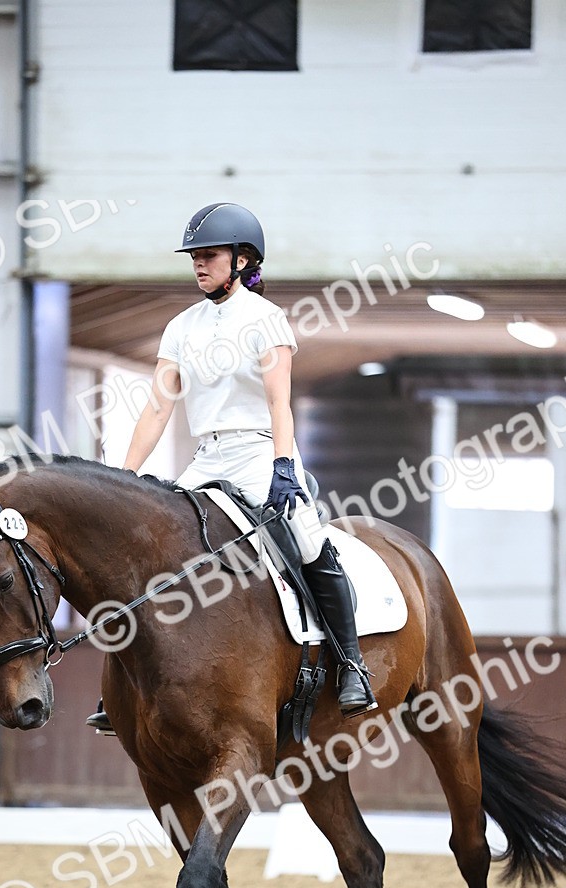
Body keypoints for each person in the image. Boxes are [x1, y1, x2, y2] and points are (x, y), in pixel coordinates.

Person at [87, 202, 377, 731]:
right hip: (206, 455)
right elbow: (158, 406)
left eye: (210, 255)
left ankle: (352, 663)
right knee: (144, 544)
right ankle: (121, 685)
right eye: (194, 256)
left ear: (242, 259)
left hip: (257, 450)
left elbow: (278, 403)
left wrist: (283, 465)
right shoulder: (181, 326)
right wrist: (126, 476)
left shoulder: (266, 320)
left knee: (306, 541)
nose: (199, 264)